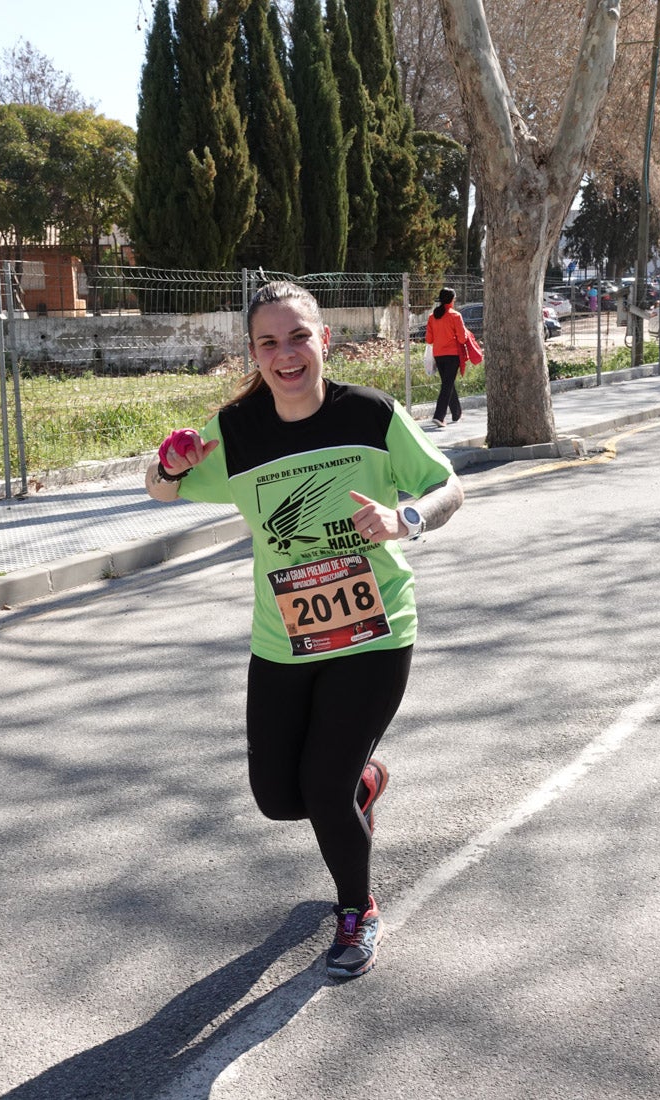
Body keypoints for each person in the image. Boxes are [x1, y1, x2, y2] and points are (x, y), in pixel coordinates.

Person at [146, 280, 464, 980]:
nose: (285, 354)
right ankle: (365, 783)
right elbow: (161, 488)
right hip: (281, 638)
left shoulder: (371, 414)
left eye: (298, 337)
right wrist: (167, 465)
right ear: (253, 353)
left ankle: (357, 911)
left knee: (321, 786)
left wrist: (403, 520)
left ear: (324, 340)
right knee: (278, 798)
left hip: (373, 632)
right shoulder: (239, 430)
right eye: (268, 342)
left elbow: (448, 485)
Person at [425, 287, 467, 428]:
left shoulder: (432, 317)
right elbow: (462, 339)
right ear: (451, 300)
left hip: (438, 355)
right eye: (454, 299)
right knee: (447, 385)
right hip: (452, 355)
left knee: (448, 383)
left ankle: (457, 413)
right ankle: (439, 416)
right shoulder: (455, 316)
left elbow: (429, 339)